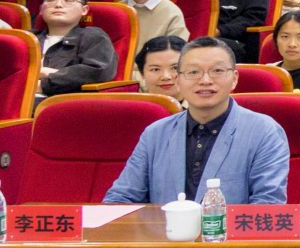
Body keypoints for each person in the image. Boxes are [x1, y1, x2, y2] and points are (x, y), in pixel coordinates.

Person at [103, 36, 290, 204]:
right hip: (164, 232)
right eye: (193, 72)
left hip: (231, 233)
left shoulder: (264, 131)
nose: (205, 80)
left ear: (234, 79)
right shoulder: (155, 133)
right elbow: (121, 198)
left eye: (217, 70)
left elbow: (268, 204)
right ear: (178, 80)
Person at [34, 0, 116, 97]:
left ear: (84, 10)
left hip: (59, 102)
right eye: (51, 0)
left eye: (68, 0)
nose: (58, 5)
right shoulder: (28, 39)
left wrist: (46, 80)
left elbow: (97, 71)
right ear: (41, 9)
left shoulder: (93, 37)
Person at [134, 34, 187, 99]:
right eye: (155, 69)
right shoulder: (131, 105)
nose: (166, 77)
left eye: (175, 68)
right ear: (142, 73)